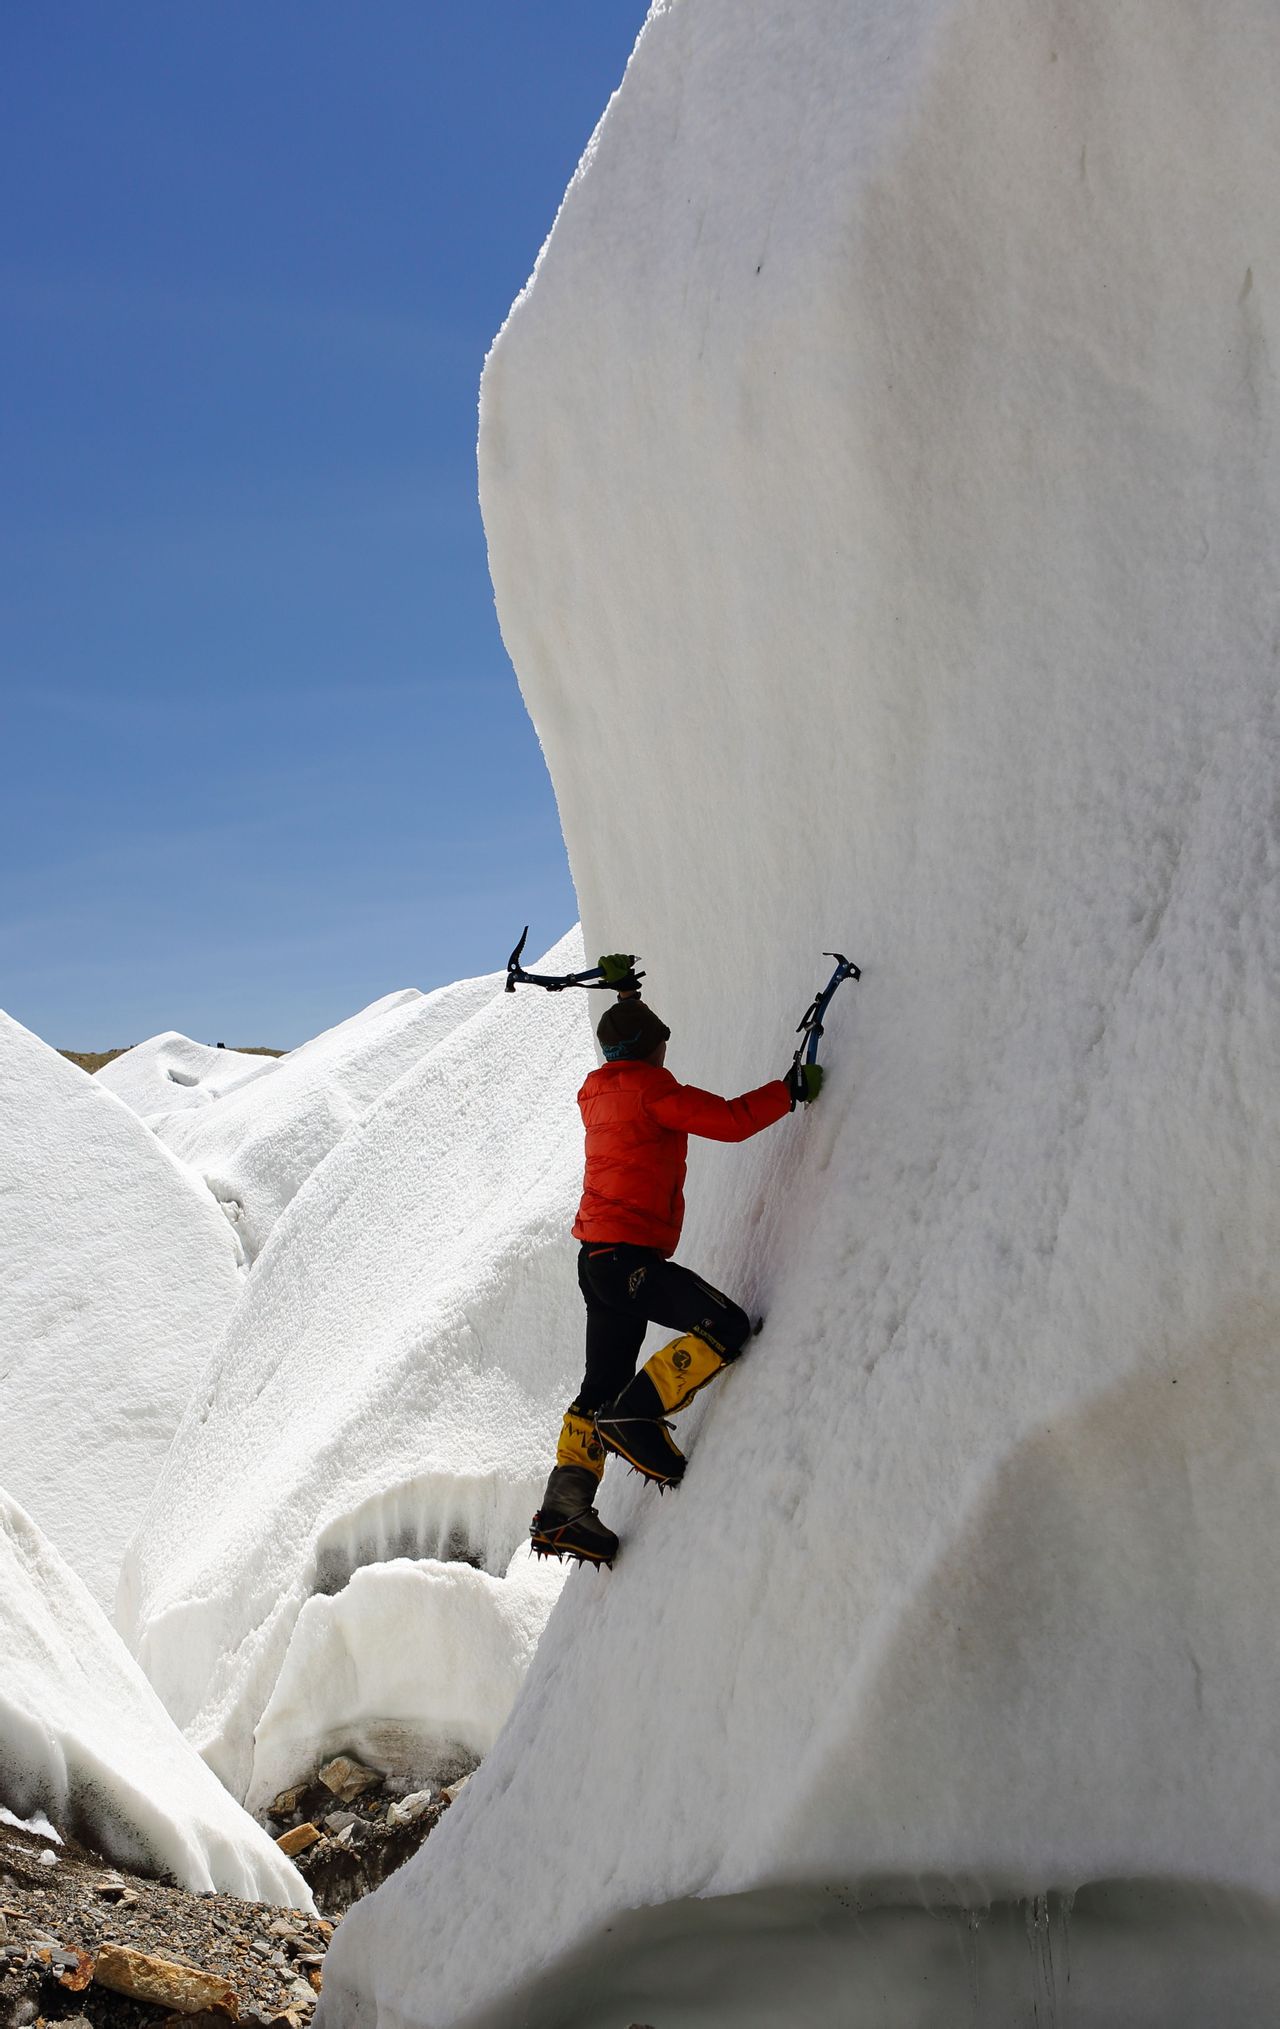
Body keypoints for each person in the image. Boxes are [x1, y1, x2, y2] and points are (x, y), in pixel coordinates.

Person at [530, 955, 823, 1566]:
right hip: (632, 1258)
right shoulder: (653, 1091)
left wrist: (622, 992)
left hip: (596, 1262)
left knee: (596, 1388)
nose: (667, 1052)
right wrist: (790, 1091)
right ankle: (639, 1415)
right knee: (726, 1326)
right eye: (661, 1043)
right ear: (649, 1050)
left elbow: (626, 1037)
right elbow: (731, 1121)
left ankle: (564, 1511)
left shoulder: (597, 1092)